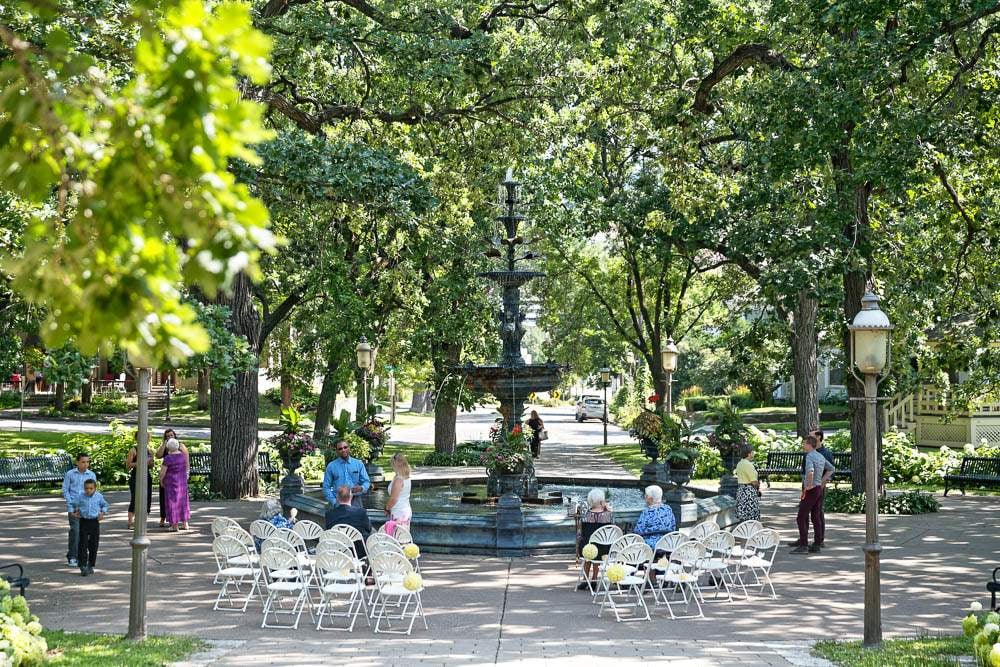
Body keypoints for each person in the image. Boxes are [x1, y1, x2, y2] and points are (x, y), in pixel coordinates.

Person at [790, 435, 834, 554]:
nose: (803, 445)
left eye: (804, 443)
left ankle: (803, 545)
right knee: (816, 516)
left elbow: (810, 471)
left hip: (812, 489)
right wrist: (822, 480)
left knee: (801, 517)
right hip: (819, 488)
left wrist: (809, 485)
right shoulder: (820, 456)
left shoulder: (809, 456)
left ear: (809, 445)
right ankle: (817, 544)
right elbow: (831, 469)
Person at [62, 453, 96, 567]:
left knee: (86, 534)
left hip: (87, 508)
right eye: (83, 462)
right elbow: (65, 490)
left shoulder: (91, 474)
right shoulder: (70, 474)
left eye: (87, 462)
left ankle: (82, 556)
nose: (86, 464)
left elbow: (93, 492)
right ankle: (72, 556)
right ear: (77, 462)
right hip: (74, 507)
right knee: (75, 531)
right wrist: (71, 504)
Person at [69, 479, 108, 576]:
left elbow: (105, 505)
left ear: (95, 488)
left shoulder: (99, 496)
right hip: (84, 521)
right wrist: (74, 511)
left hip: (94, 522)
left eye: (91, 488)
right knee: (83, 544)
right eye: (86, 488)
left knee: (93, 544)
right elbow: (72, 504)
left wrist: (102, 513)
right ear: (84, 488)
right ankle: (83, 565)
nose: (88, 490)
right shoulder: (80, 496)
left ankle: (91, 564)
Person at [577, 488, 614, 589]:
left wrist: (579, 542)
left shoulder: (586, 515)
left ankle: (585, 578)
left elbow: (580, 532)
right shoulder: (609, 515)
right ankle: (594, 579)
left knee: (587, 549)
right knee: (598, 550)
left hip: (588, 547)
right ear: (602, 500)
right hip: (604, 548)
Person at [324, 485, 373, 558]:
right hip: (358, 552)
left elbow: (328, 531)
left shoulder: (329, 514)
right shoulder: (360, 512)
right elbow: (368, 529)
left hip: (338, 550)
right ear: (351, 497)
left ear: (337, 498)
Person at [322, 439, 370, 509]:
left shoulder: (358, 464)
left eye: (345, 447)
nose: (343, 450)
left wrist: (362, 488)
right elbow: (326, 487)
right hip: (338, 502)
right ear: (337, 451)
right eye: (340, 449)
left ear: (349, 448)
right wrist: (334, 502)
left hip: (356, 501)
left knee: (357, 519)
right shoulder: (331, 466)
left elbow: (366, 481)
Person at [155, 429, 188, 527]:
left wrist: (187, 473)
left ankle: (176, 522)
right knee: (164, 499)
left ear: (175, 435)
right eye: (167, 436)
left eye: (171, 435)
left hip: (175, 477)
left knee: (177, 500)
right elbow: (158, 455)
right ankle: (163, 517)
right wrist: (164, 445)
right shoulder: (166, 446)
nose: (169, 437)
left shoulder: (180, 446)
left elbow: (186, 460)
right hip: (170, 477)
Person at [633, 485, 676, 550]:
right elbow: (673, 526)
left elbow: (638, 531)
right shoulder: (668, 508)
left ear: (650, 499)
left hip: (651, 545)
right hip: (668, 543)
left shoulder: (647, 512)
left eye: (646, 496)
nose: (644, 497)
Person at [810, 429, 834, 546]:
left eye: (811, 436)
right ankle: (803, 538)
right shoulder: (810, 451)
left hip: (819, 487)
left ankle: (820, 540)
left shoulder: (825, 453)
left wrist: (821, 484)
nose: (808, 439)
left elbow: (830, 471)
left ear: (818, 437)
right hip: (808, 486)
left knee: (818, 512)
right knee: (804, 513)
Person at [125, 433, 154, 529]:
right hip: (136, 476)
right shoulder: (134, 450)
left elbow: (151, 466)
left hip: (147, 475)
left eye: (146, 438)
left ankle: (142, 521)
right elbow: (128, 465)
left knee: (147, 497)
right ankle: (131, 522)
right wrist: (140, 462)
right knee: (135, 498)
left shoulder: (149, 450)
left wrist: (150, 462)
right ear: (137, 439)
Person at [383, 453, 412, 534]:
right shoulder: (406, 477)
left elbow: (394, 499)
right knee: (402, 536)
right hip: (405, 509)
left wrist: (387, 508)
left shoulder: (399, 479)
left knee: (396, 538)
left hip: (399, 512)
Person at [734, 444, 761, 522]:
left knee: (743, 515)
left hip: (741, 490)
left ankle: (745, 532)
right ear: (749, 453)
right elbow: (754, 481)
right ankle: (750, 533)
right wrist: (758, 486)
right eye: (753, 452)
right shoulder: (748, 465)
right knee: (751, 516)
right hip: (748, 492)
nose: (754, 453)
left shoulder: (740, 463)